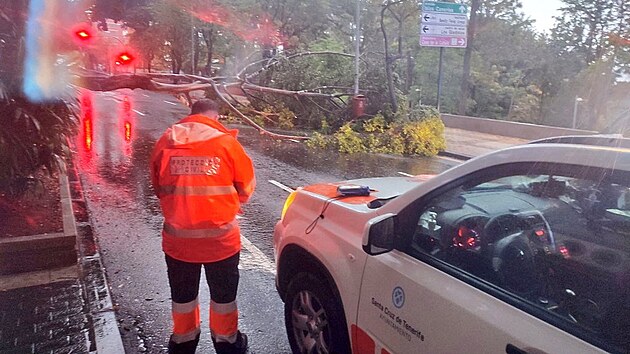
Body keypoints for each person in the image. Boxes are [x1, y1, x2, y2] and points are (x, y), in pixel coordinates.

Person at [150, 99, 255, 354]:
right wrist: (225, 205)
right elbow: (246, 187)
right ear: (215, 117)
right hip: (220, 241)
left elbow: (158, 187)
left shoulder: (166, 141)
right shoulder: (226, 142)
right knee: (223, 298)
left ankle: (184, 341)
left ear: (192, 114)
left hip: (179, 242)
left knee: (183, 297)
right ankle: (226, 341)